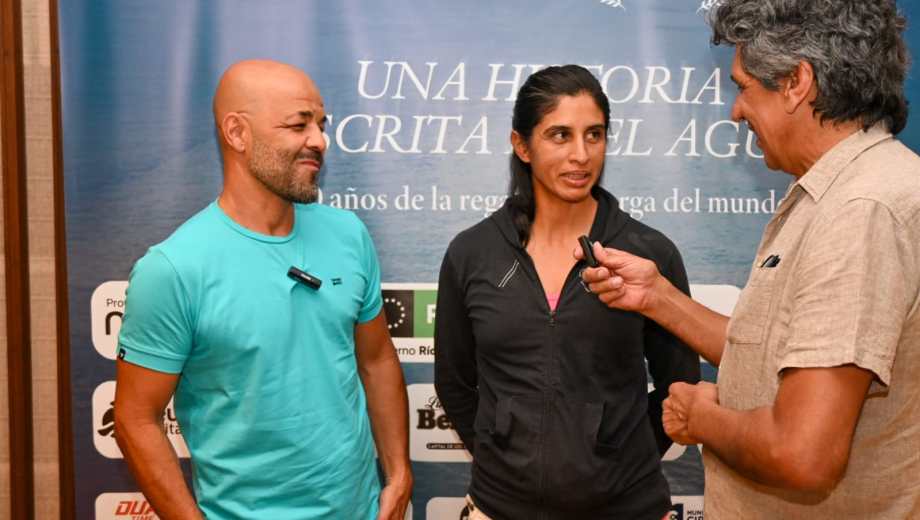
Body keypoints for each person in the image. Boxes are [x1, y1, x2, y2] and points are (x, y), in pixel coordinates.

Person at [580, 1, 920, 517]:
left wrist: (702, 417)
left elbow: (801, 453)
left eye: (742, 86)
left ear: (796, 82)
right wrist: (656, 297)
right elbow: (774, 358)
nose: (736, 111)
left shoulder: (861, 210)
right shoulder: (845, 192)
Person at [113, 60, 412, 520]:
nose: (320, 140)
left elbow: (375, 359)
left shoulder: (348, 234)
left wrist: (399, 474)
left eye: (320, 124)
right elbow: (135, 420)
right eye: (299, 124)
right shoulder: (172, 269)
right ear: (236, 133)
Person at [434, 64, 700, 520]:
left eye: (594, 135)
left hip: (628, 508)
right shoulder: (472, 253)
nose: (581, 154)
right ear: (522, 145)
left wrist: (616, 456)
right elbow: (455, 384)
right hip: (499, 507)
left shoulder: (648, 254)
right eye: (560, 135)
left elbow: (681, 386)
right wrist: (505, 457)